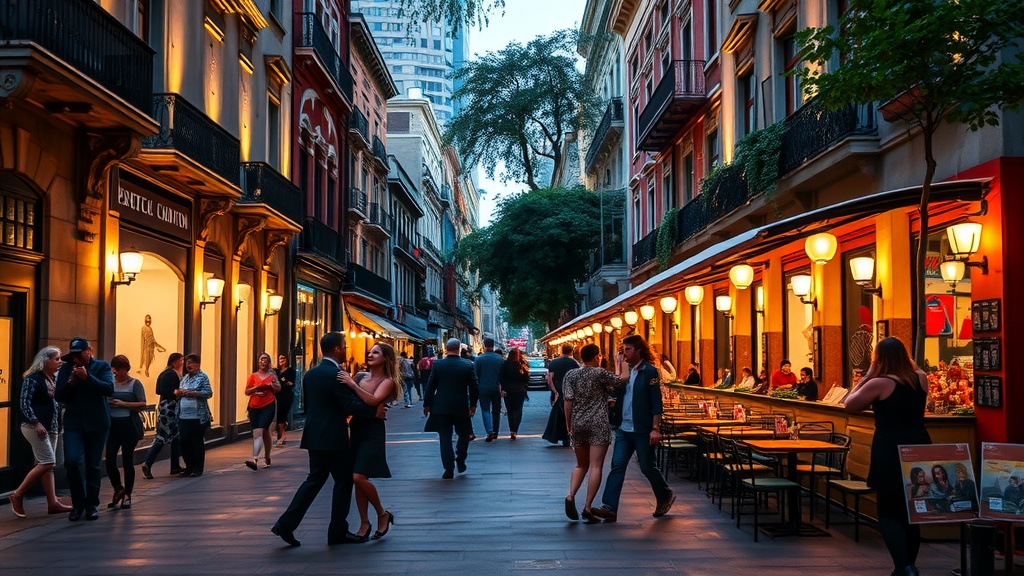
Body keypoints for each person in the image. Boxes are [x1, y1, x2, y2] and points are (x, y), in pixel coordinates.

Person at [271, 333, 384, 547]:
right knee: (343, 481)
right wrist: (374, 410)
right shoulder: (336, 375)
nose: (347, 349)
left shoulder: (311, 374)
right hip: (333, 436)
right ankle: (337, 531)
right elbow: (348, 404)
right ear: (337, 349)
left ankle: (285, 524)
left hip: (314, 434)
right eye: (345, 346)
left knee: (314, 479)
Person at [844, 337, 931, 576]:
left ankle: (904, 566)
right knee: (912, 510)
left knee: (889, 510)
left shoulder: (880, 383)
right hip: (919, 445)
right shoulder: (920, 378)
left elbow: (848, 404)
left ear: (878, 359)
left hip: (890, 447)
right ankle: (908, 565)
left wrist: (867, 376)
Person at [592, 334, 674, 522]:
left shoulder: (650, 371)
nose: (624, 352)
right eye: (623, 349)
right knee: (617, 466)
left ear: (638, 350)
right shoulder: (625, 371)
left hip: (643, 429)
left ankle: (664, 495)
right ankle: (609, 507)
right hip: (624, 429)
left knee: (647, 467)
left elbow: (656, 401)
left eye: (628, 349)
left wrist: (655, 428)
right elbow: (618, 391)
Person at [339, 343, 401, 541]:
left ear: (386, 358)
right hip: (356, 428)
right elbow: (353, 401)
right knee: (359, 478)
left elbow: (373, 401)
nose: (370, 354)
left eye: (376, 352)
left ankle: (382, 513)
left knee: (358, 477)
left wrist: (351, 384)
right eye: (370, 351)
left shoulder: (388, 381)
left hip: (373, 431)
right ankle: (364, 522)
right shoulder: (360, 377)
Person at [563, 343, 627, 522]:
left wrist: (569, 425)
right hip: (598, 423)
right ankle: (588, 506)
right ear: (596, 355)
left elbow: (568, 402)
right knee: (596, 466)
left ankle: (570, 496)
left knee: (580, 465)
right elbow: (622, 379)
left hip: (578, 422)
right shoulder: (599, 373)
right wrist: (621, 361)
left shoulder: (571, 374)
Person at [55, 338, 114, 522]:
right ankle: (78, 503)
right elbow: (59, 395)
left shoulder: (102, 367)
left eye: (79, 353)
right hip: (74, 422)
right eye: (73, 354)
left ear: (89, 351)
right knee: (72, 461)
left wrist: (87, 377)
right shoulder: (66, 368)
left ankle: (91, 504)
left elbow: (108, 389)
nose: (76, 357)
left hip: (97, 422)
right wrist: (72, 382)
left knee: (93, 464)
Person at [10, 346, 73, 517]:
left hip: (51, 427)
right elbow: (24, 403)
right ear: (46, 360)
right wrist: (36, 422)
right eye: (57, 359)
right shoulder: (33, 378)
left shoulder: (52, 378)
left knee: (48, 466)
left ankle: (52, 503)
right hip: (35, 427)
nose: (60, 362)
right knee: (48, 462)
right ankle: (17, 495)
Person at [423, 338, 479, 479]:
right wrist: (473, 404)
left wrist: (427, 404)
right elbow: (474, 387)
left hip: (441, 407)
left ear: (446, 349)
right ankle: (460, 457)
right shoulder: (467, 365)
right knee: (464, 434)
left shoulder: (438, 365)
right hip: (461, 406)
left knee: (445, 438)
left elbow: (430, 386)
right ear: (459, 349)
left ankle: (448, 469)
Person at [104, 355, 147, 510]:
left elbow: (142, 403)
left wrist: (124, 404)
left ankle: (128, 494)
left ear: (126, 369)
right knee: (109, 461)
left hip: (129, 426)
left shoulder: (135, 384)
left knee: (127, 460)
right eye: (114, 371)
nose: (117, 374)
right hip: (113, 427)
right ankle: (118, 489)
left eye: (119, 370)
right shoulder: (110, 383)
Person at [141, 353, 184, 479]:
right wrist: (178, 392)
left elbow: (158, 390)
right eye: (181, 360)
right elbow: (168, 391)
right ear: (175, 362)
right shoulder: (172, 374)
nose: (182, 363)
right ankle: (148, 463)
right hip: (170, 408)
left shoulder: (164, 373)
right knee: (162, 437)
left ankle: (175, 466)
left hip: (164, 407)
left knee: (174, 436)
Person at [175, 354, 213, 478]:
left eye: (191, 363)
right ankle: (189, 467)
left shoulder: (202, 377)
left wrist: (191, 393)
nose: (188, 365)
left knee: (196, 442)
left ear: (197, 364)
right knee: (184, 441)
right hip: (183, 415)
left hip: (197, 415)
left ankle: (198, 468)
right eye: (187, 363)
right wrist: (178, 393)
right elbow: (179, 393)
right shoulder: (184, 378)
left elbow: (208, 393)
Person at [244, 353, 280, 470]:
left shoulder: (272, 376)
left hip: (268, 405)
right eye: (261, 359)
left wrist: (273, 385)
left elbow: (278, 388)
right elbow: (247, 391)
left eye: (265, 359)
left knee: (260, 430)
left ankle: (255, 459)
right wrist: (256, 387)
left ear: (269, 363)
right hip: (254, 406)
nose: (263, 362)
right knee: (261, 432)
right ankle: (267, 457)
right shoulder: (253, 376)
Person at [542, 344, 578, 446]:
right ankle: (567, 435)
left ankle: (556, 435)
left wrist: (555, 391)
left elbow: (550, 378)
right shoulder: (574, 363)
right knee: (569, 414)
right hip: (570, 391)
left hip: (558, 389)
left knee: (557, 414)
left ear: (561, 350)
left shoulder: (554, 362)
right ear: (571, 351)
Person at [474, 338, 504, 441]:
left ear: (484, 346)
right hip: (496, 388)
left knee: (485, 410)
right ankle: (496, 431)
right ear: (493, 345)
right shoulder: (500, 359)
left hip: (483, 388)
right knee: (496, 410)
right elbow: (503, 375)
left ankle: (489, 430)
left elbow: (476, 375)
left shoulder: (479, 359)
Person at [499, 348, 530, 440]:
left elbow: (501, 377)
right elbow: (526, 379)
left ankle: (512, 429)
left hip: (507, 391)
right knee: (518, 410)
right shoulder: (522, 365)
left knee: (510, 410)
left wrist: (503, 389)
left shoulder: (505, 364)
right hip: (519, 390)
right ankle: (515, 430)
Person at [274, 355, 296, 446]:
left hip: (286, 396)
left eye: (283, 358)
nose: (281, 360)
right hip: (278, 395)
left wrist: (283, 381)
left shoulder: (290, 371)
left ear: (287, 360)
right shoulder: (276, 371)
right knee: (279, 415)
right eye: (279, 358)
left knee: (282, 414)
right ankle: (281, 431)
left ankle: (283, 435)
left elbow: (291, 383)